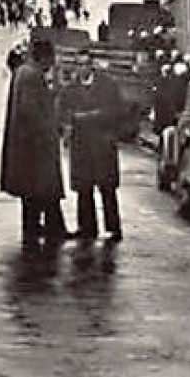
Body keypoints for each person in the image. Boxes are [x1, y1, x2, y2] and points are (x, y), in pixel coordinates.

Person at [0, 37, 71, 250]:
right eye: (52, 58)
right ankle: (39, 231)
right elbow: (30, 110)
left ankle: (48, 228)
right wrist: (48, 129)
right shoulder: (31, 76)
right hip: (34, 146)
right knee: (38, 190)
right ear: (45, 57)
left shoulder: (25, 72)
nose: (54, 62)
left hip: (28, 145)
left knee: (36, 193)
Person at [63, 60, 126, 242]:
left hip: (102, 143)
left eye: (85, 64)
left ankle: (113, 228)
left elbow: (116, 110)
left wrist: (88, 117)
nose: (81, 68)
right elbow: (63, 111)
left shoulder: (108, 86)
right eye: (78, 64)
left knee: (107, 187)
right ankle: (87, 228)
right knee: (84, 187)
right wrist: (68, 125)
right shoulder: (70, 89)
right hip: (81, 144)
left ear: (91, 66)